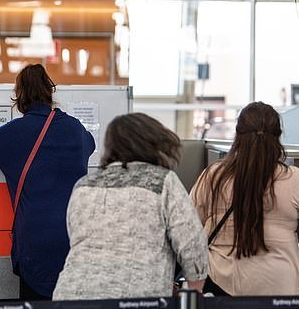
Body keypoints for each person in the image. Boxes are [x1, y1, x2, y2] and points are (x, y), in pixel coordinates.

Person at [0, 64, 95, 300]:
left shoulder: (15, 131)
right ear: (49, 92)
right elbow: (90, 144)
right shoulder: (75, 128)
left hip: (35, 242)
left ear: (19, 95)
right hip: (75, 236)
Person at [52, 113, 208, 300]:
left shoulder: (84, 185)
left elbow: (76, 237)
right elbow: (192, 245)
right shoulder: (162, 181)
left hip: (72, 295)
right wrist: (194, 291)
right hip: (137, 297)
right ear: (152, 143)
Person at [190, 101, 299, 296]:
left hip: (222, 282)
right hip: (278, 286)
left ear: (237, 135)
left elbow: (188, 226)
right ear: (277, 137)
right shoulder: (293, 178)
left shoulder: (214, 176)